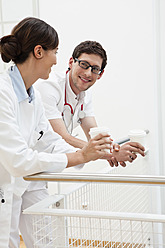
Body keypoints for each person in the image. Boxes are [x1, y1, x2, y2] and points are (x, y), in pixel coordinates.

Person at [0, 18, 113, 248]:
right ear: (39, 51)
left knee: (45, 241)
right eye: (56, 51)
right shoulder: (5, 92)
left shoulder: (32, 96)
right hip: (13, 180)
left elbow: (50, 141)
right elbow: (18, 159)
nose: (56, 59)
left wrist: (106, 152)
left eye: (95, 70)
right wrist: (82, 155)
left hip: (22, 182)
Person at [35, 40, 145, 167]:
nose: (88, 73)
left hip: (44, 163)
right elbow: (62, 137)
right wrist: (111, 154)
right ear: (71, 62)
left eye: (95, 69)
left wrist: (114, 148)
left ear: (100, 74)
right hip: (26, 160)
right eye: (84, 64)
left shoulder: (85, 94)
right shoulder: (48, 87)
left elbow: (94, 135)